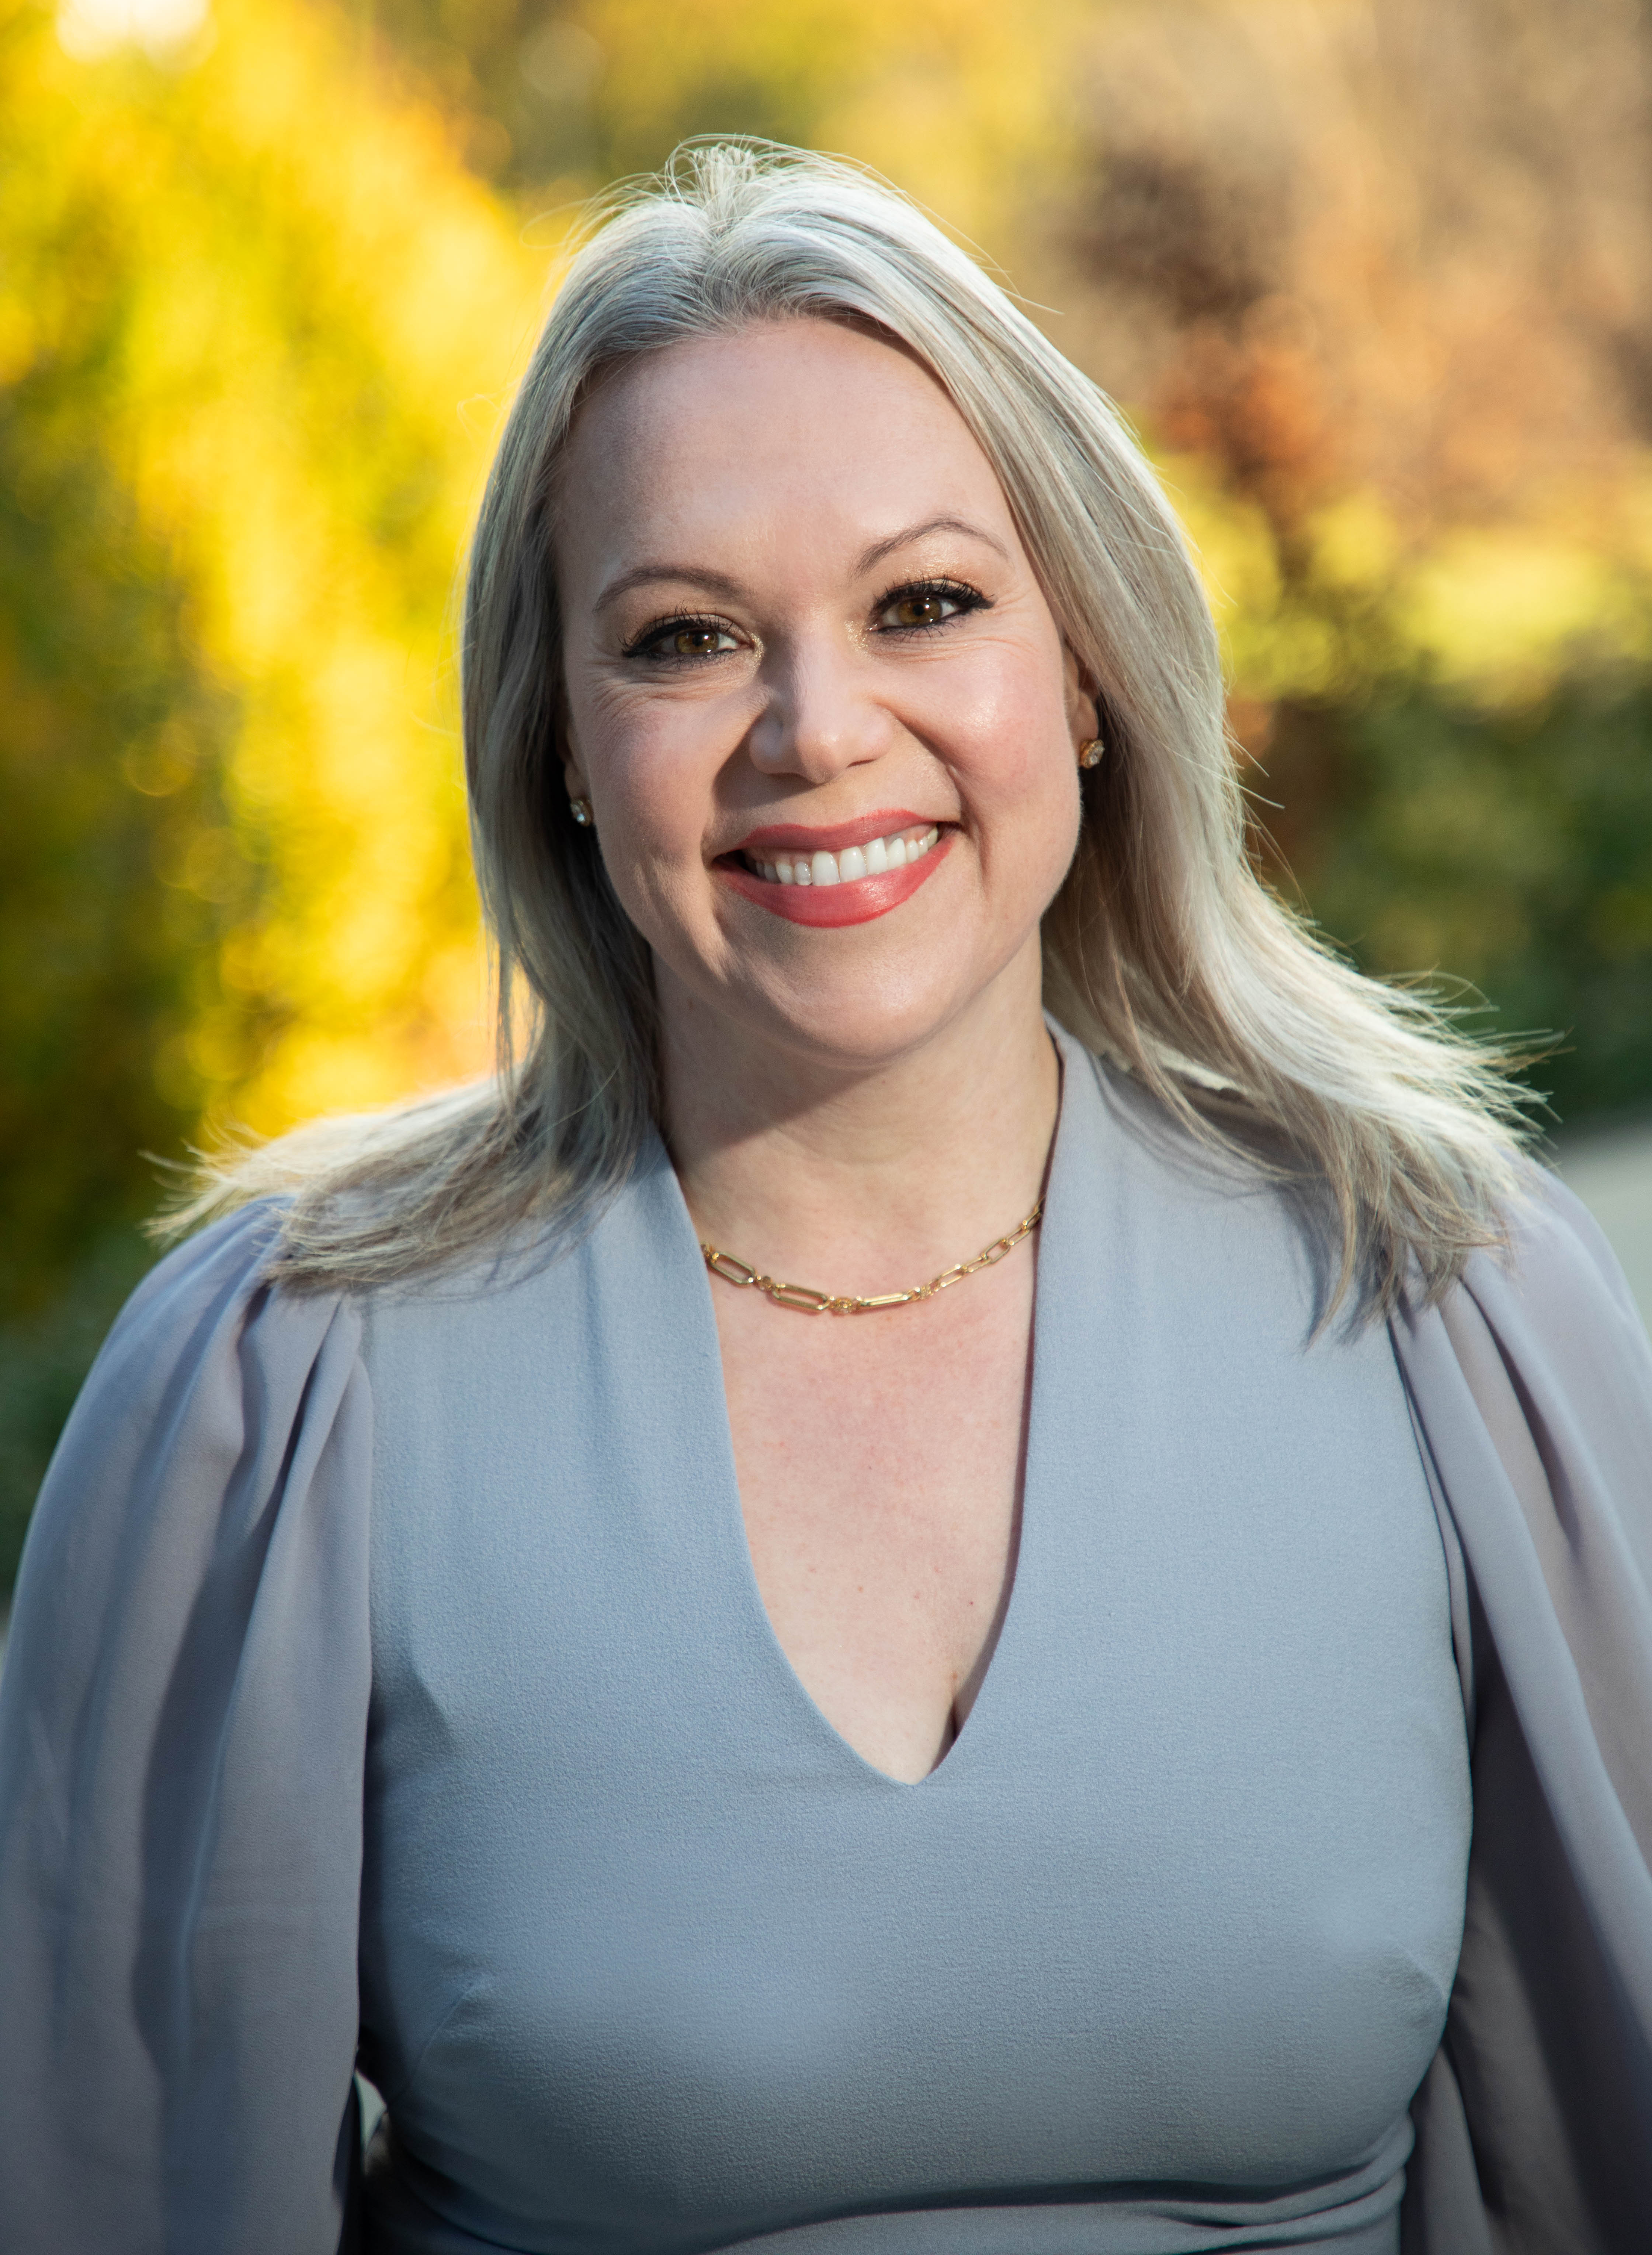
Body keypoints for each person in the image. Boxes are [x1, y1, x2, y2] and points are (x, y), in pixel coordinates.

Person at [1, 143, 1649, 2255]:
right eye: (687, 639)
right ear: (563, 750)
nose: (818, 728)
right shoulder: (285, 1392)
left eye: (926, 603)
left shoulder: (1453, 1308)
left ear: (1087, 670)